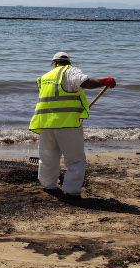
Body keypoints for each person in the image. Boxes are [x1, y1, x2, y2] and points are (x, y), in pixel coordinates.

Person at [29, 52, 116, 197]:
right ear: (68, 62)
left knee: (47, 157)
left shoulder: (45, 78)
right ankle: (71, 191)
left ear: (54, 63)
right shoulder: (70, 71)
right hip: (67, 124)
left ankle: (49, 186)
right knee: (75, 159)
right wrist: (102, 82)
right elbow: (84, 82)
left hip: (46, 125)